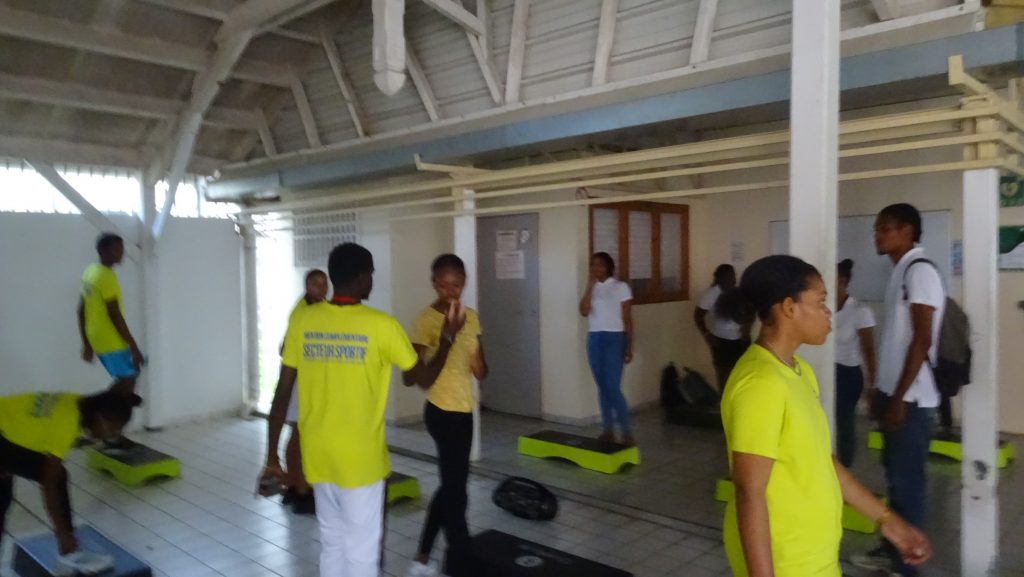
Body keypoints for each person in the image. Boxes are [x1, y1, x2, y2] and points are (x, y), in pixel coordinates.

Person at [261, 242, 466, 577]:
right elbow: (424, 378)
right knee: (362, 554)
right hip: (361, 461)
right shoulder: (382, 326)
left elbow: (282, 391)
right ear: (360, 278)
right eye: (371, 274)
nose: (372, 280)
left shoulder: (304, 320)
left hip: (319, 454)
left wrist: (272, 455)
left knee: (332, 543)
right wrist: (447, 339)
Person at [719, 255, 931, 577]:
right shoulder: (761, 384)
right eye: (820, 302)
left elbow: (822, 461)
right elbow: (749, 491)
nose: (828, 313)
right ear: (789, 308)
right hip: (785, 559)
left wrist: (887, 520)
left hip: (813, 553)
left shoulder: (799, 371)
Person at [854, 204, 945, 577]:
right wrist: (880, 389)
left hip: (912, 399)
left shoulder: (919, 271)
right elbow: (896, 342)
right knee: (895, 477)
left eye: (886, 228)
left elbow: (922, 339)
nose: (877, 235)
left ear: (908, 231)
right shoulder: (900, 272)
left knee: (907, 484)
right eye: (876, 229)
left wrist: (900, 399)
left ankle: (906, 567)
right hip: (895, 394)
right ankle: (891, 550)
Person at [0, 389, 142, 575]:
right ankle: (68, 546)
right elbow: (50, 482)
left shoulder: (76, 403)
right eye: (113, 429)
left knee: (3, 497)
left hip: (5, 430)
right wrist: (63, 534)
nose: (112, 435)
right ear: (100, 418)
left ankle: (68, 544)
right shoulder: (67, 422)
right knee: (57, 477)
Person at [407, 254, 488, 577]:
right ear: (434, 284)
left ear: (464, 283)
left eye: (456, 285)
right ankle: (462, 560)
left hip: (465, 411)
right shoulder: (425, 320)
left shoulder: (472, 317)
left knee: (451, 486)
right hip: (440, 411)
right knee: (456, 492)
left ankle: (423, 555)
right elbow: (416, 377)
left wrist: (477, 359)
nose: (450, 291)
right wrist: (448, 336)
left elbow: (481, 369)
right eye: (443, 285)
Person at [277, 269, 328, 515]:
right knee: (299, 435)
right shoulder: (302, 312)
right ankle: (301, 489)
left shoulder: (318, 308)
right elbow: (285, 348)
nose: (322, 288)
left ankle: (293, 483)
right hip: (299, 381)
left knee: (300, 434)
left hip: (309, 381)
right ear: (307, 286)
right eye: (316, 284)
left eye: (325, 284)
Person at [578, 252, 635, 446]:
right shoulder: (592, 288)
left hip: (615, 339)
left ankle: (626, 432)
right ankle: (608, 429)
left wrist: (628, 346)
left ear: (609, 267)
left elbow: (627, 319)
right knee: (602, 387)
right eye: (593, 265)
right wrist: (589, 286)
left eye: (600, 265)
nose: (596, 268)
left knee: (612, 387)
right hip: (595, 338)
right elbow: (584, 311)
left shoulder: (621, 287)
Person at [78, 233, 144, 396]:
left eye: (121, 249)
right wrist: (133, 346)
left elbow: (80, 310)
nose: (121, 253)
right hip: (110, 339)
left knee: (128, 379)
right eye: (116, 249)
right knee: (128, 380)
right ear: (102, 250)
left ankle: (103, 408)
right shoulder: (106, 276)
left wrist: (87, 343)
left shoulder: (90, 272)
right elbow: (114, 315)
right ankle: (99, 409)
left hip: (96, 337)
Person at [834, 259, 877, 468]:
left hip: (847, 374)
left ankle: (845, 466)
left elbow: (869, 350)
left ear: (844, 281)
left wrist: (872, 384)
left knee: (844, 422)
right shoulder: (823, 308)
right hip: (826, 371)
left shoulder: (860, 310)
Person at [695, 264, 752, 391]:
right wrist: (707, 334)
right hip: (721, 340)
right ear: (720, 278)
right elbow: (698, 315)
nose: (733, 279)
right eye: (728, 276)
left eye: (733, 276)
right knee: (723, 373)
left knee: (743, 371)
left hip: (741, 340)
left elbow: (751, 311)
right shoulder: (711, 294)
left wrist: (747, 329)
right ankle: (724, 399)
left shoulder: (739, 292)